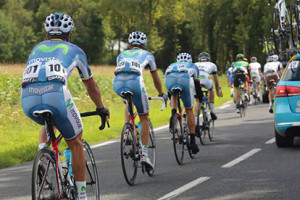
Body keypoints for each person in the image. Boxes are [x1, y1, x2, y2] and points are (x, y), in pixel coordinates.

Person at [21, 13, 109, 200]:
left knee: (49, 123)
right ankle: (82, 196)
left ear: (47, 36)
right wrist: (100, 107)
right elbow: (91, 85)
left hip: (28, 100)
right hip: (56, 96)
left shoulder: (36, 48)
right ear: (69, 35)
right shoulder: (76, 50)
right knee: (76, 141)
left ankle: (43, 157)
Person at [113, 31, 168, 169]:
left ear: (130, 45)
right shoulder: (148, 55)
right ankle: (144, 154)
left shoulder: (121, 55)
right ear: (144, 45)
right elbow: (155, 78)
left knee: (128, 101)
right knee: (144, 118)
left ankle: (127, 130)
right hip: (135, 83)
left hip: (118, 84)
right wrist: (161, 93)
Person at [165, 52, 200, 154]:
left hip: (169, 81)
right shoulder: (193, 66)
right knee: (189, 109)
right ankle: (193, 142)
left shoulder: (171, 65)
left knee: (173, 94)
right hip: (184, 81)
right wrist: (199, 97)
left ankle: (173, 115)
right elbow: (197, 85)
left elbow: (168, 86)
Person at [194, 52, 222, 120]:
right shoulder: (212, 64)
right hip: (205, 77)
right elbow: (216, 81)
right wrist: (218, 92)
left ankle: (195, 119)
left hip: (195, 79)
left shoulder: (195, 64)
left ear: (199, 59)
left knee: (198, 101)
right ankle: (212, 110)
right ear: (209, 59)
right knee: (210, 89)